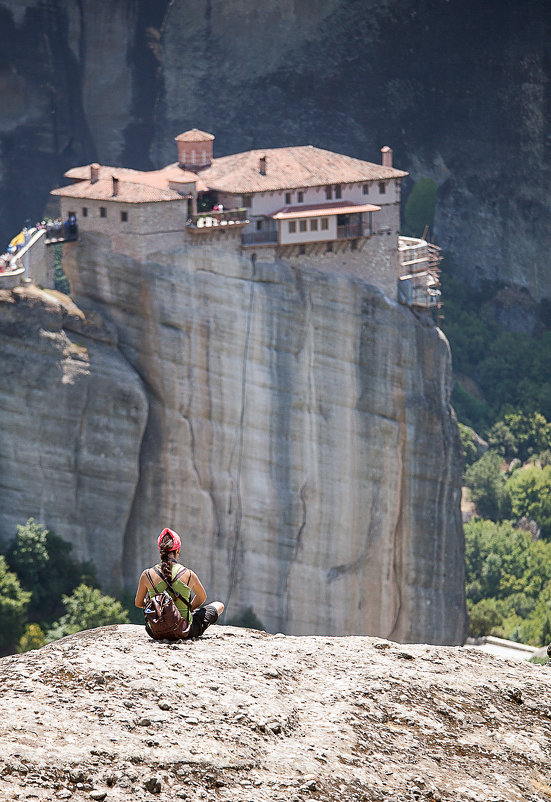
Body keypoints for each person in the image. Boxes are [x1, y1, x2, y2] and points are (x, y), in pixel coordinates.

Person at [135, 528, 224, 639]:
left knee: (150, 599)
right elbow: (202, 598)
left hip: (155, 631)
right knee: (219, 605)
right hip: (184, 630)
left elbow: (138, 603)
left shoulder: (147, 574)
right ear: (178, 550)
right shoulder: (189, 574)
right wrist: (187, 609)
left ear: (160, 550)